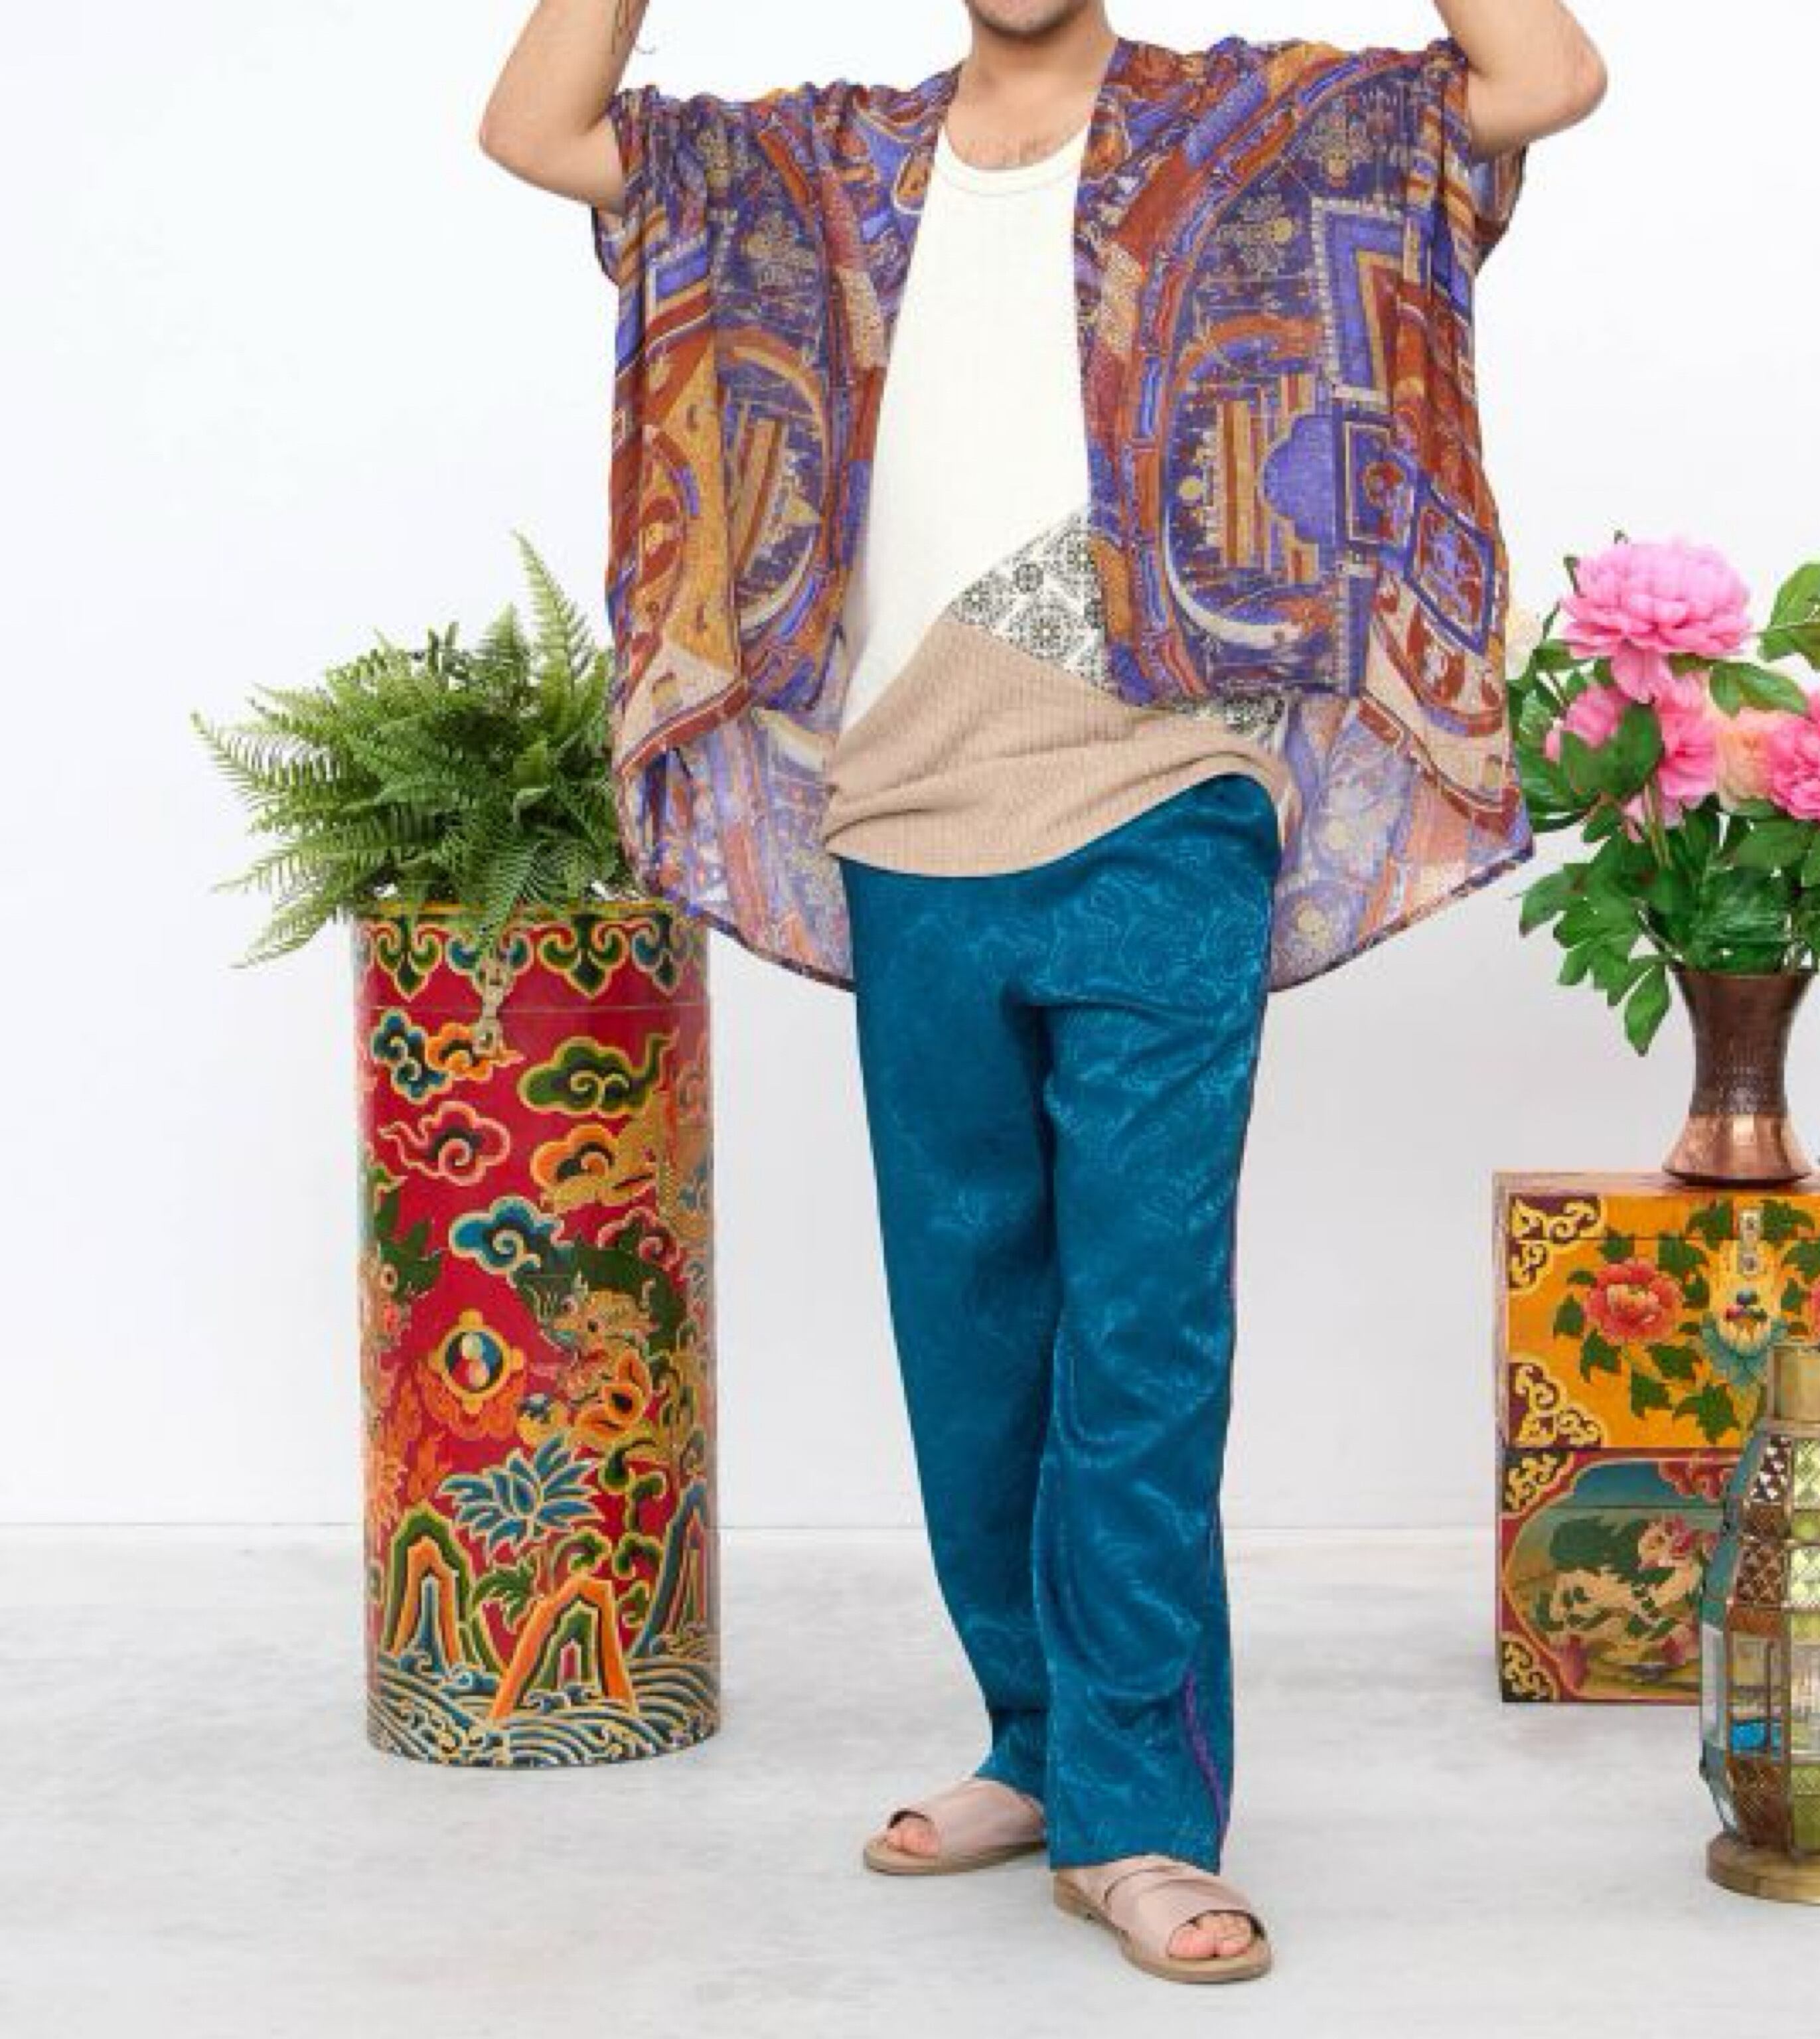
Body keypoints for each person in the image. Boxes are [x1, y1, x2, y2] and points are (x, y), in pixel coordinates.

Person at [480, 0, 1606, 1984]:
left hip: (1166, 799)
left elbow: (1543, 82)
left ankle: (1145, 1810)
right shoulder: (826, 166)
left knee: (1142, 1326)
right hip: (906, 813)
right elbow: (538, 126)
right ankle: (1040, 1739)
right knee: (972, 1326)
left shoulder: (1251, 125)